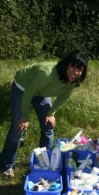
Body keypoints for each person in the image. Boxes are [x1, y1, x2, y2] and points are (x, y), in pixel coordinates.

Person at [0, 50, 88, 178]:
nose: (75, 72)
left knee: (48, 126)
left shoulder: (73, 80)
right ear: (66, 65)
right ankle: (6, 165)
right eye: (73, 67)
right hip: (24, 87)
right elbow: (28, 93)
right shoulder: (47, 74)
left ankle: (45, 162)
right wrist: (25, 116)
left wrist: (51, 113)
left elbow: (63, 97)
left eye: (80, 69)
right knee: (18, 128)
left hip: (41, 92)